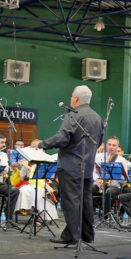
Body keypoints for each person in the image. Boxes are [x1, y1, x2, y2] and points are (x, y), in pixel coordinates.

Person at [39, 85, 103, 244]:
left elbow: (63, 137)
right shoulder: (97, 117)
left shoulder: (74, 115)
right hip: (87, 166)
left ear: (75, 99)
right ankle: (87, 236)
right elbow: (99, 141)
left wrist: (43, 144)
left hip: (70, 166)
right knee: (85, 202)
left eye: (71, 97)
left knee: (71, 202)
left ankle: (73, 237)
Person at [92, 136, 131, 215]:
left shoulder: (122, 160)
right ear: (106, 145)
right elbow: (93, 172)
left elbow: (125, 179)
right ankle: (90, 213)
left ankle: (105, 215)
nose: (111, 147)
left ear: (117, 147)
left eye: (114, 145)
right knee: (89, 189)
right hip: (100, 184)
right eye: (109, 144)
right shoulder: (97, 157)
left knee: (109, 192)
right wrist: (97, 179)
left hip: (114, 186)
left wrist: (114, 180)